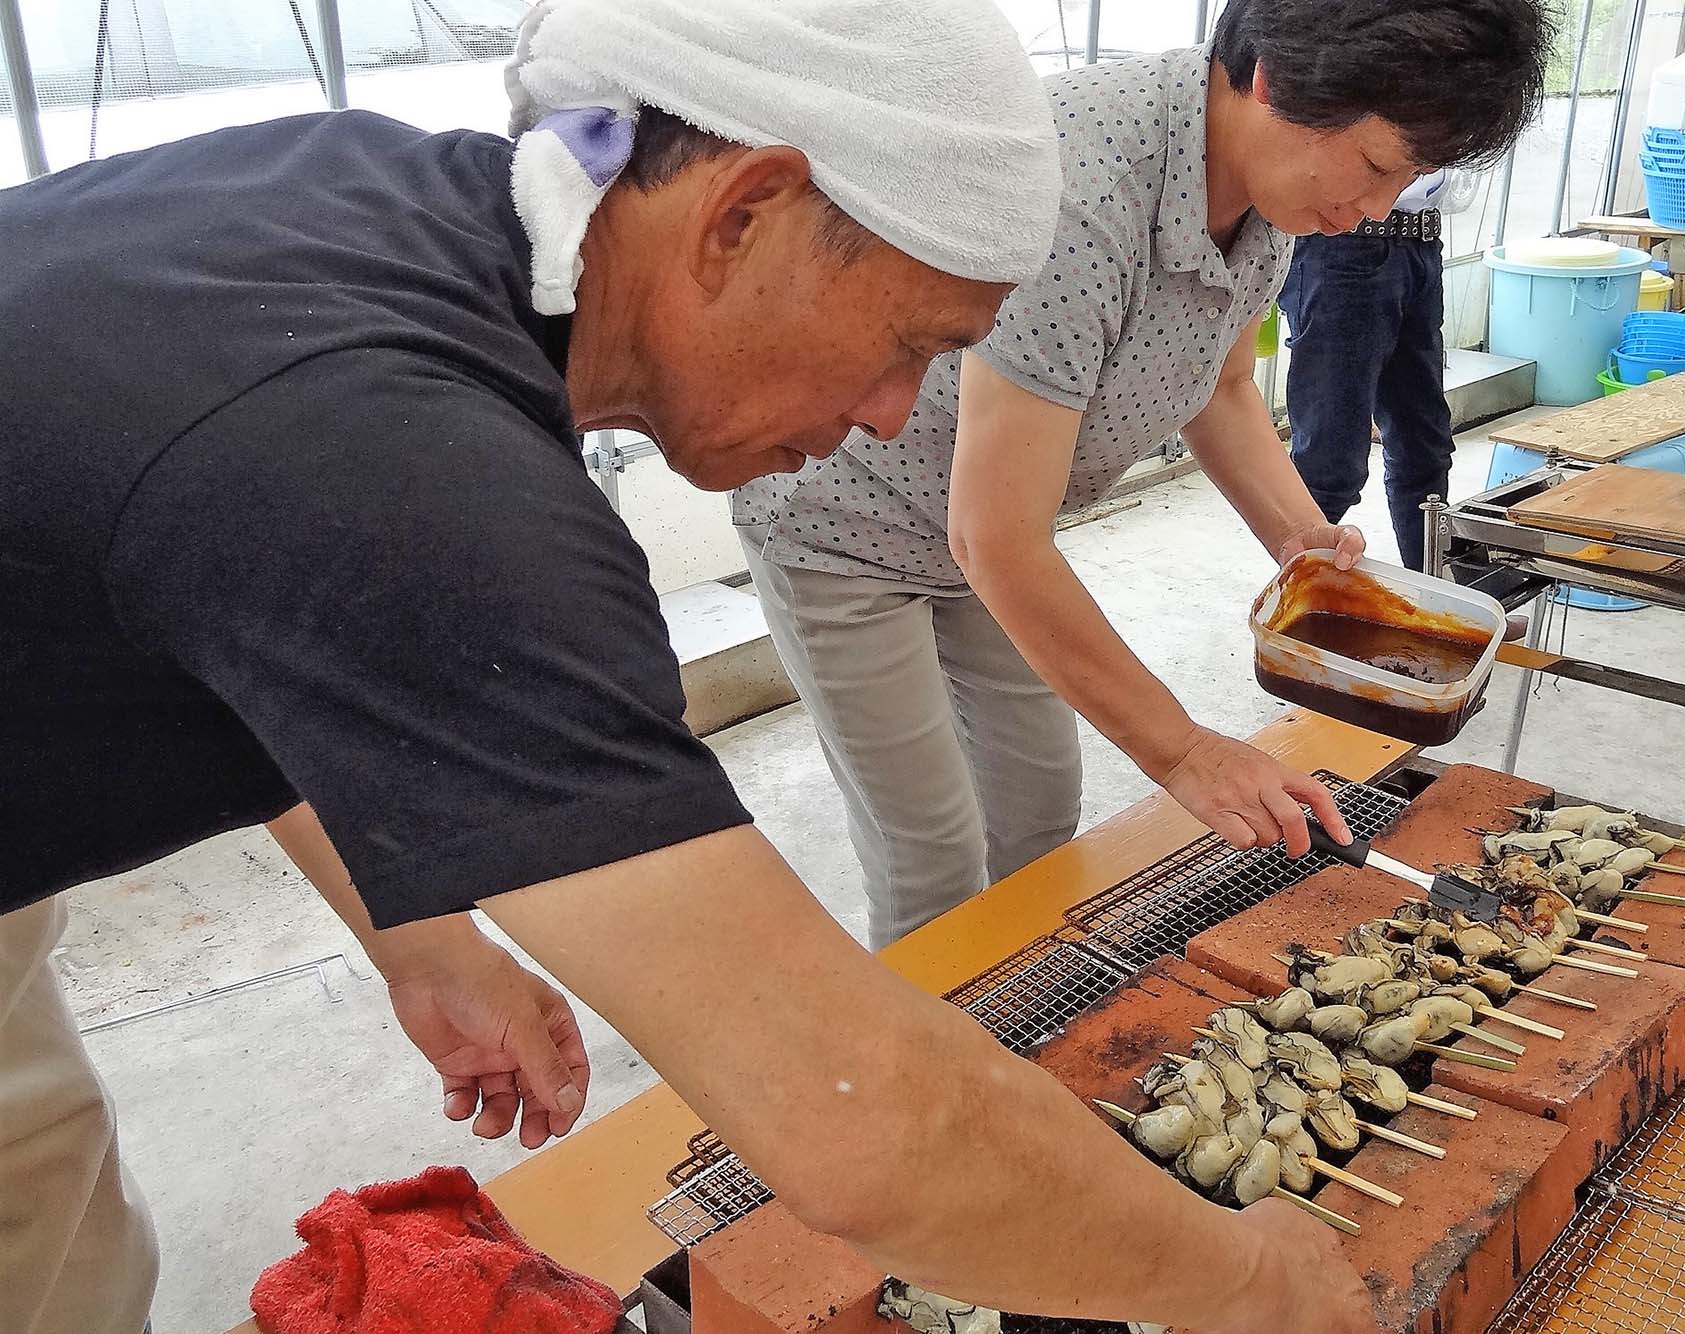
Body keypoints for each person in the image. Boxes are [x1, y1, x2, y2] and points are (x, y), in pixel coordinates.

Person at [0, 3, 1377, 1332]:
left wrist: (419, 936)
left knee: (58, 1228)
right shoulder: (413, 470)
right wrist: (1260, 1285)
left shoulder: (386, 213)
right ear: (741, 217)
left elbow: (242, 602)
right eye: (911, 347)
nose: (896, 418)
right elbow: (860, 1123)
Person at [735, 0, 1557, 949]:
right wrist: (1187, 753)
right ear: (1276, 78)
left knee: (1040, 811)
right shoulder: (1079, 185)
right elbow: (996, 536)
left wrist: (1306, 546)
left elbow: (1220, 386)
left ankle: (1019, 1023)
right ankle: (920, 1079)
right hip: (852, 521)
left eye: (1407, 180)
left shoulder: (1272, 185)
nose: (1376, 209)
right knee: (932, 852)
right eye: (1377, 167)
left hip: (983, 534)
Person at [1277, 169, 1458, 568]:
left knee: (1425, 445)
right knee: (1329, 461)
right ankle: (1301, 611)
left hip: (1421, 242)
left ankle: (1437, 603)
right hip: (1344, 243)